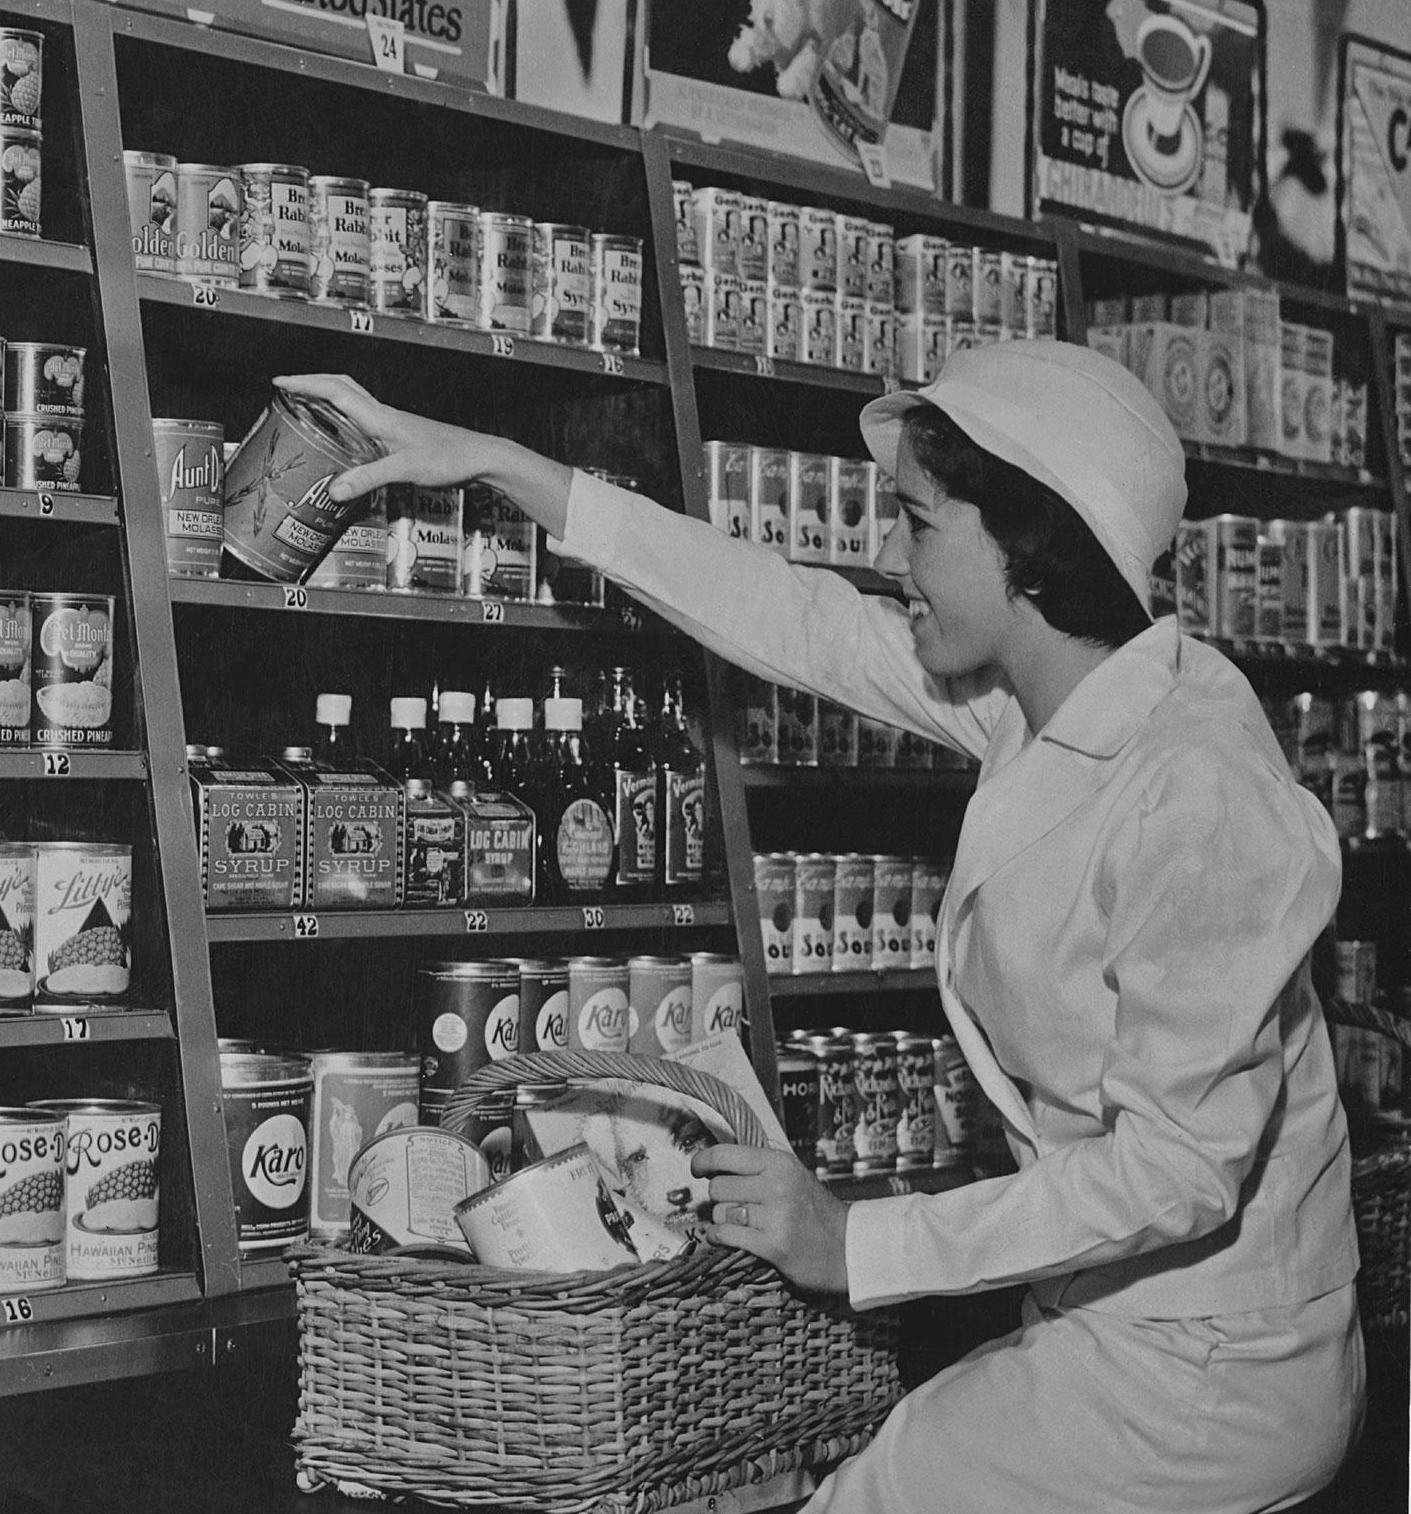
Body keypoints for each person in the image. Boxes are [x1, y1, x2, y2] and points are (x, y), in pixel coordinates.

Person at [278, 340, 1366, 1514]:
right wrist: (491, 462)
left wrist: (854, 1240)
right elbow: (793, 616)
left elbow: (1178, 1173)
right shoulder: (1045, 698)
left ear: (1032, 547)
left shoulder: (1195, 789)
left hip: (1210, 1369)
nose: (884, 556)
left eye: (918, 523)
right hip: (1122, 1326)